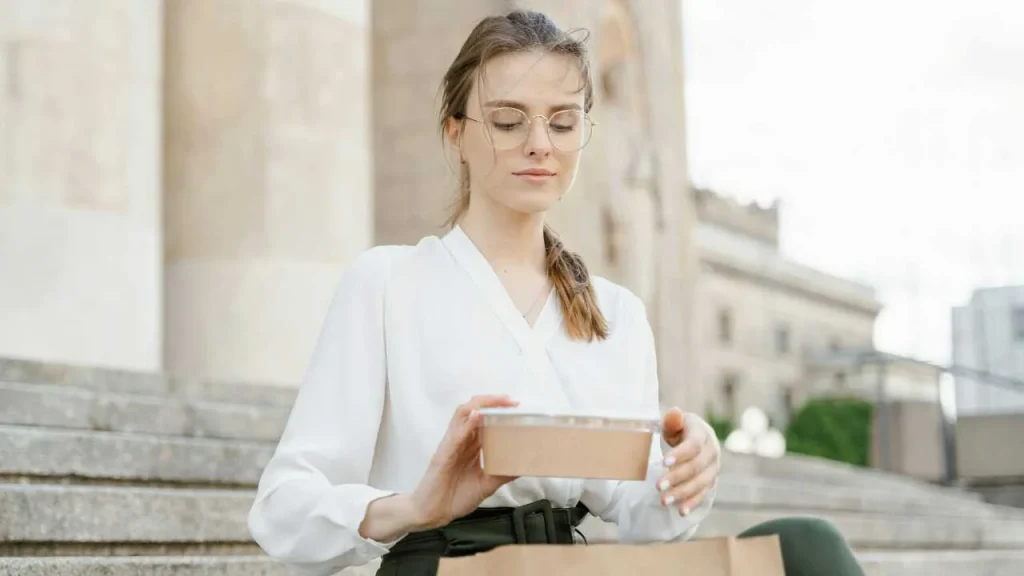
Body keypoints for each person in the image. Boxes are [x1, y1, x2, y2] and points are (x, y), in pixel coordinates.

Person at [248, 10, 865, 576]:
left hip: (570, 565)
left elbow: (641, 514)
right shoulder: (386, 283)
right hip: (443, 565)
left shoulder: (617, 313)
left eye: (562, 122)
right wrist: (412, 506)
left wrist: (686, 470)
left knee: (807, 548)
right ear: (455, 134)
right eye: (509, 121)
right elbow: (284, 506)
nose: (539, 143)